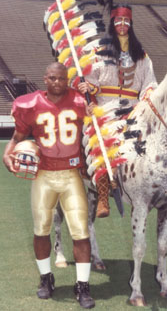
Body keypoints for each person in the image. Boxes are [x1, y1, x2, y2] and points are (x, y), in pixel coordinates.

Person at [78, 4, 167, 218]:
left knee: (162, 137)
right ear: (112, 24)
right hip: (106, 108)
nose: (122, 25)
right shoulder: (98, 53)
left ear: (130, 24)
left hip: (135, 108)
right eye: (118, 21)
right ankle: (104, 196)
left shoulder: (141, 55)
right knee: (103, 144)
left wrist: (148, 97)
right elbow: (90, 80)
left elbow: (149, 82)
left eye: (126, 21)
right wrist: (89, 88)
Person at [2, 62, 95, 309]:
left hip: (71, 174)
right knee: (40, 230)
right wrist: (7, 154)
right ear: (45, 79)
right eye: (52, 78)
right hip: (43, 175)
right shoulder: (30, 104)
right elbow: (17, 138)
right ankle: (46, 278)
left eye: (62, 79)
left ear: (67, 80)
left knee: (80, 232)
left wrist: (92, 95)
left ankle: (82, 284)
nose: (57, 82)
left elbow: (97, 124)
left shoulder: (79, 101)